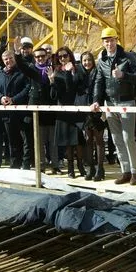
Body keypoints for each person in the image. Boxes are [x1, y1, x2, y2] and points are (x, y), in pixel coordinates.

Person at [91, 27, 136, 185]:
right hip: (110, 104)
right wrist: (96, 100)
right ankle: (125, 171)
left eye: (112, 40)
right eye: (106, 41)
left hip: (126, 101)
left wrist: (123, 75)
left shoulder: (128, 57)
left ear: (116, 41)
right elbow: (99, 82)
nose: (109, 43)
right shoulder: (102, 62)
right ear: (103, 43)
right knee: (117, 139)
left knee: (128, 138)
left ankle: (135, 172)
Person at [0, 50, 32, 169]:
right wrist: (1, 98)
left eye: (10, 58)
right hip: (7, 114)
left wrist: (13, 99)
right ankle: (15, 164)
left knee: (26, 140)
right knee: (12, 141)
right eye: (6, 59)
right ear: (3, 61)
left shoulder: (22, 72)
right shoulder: (0, 76)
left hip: (23, 112)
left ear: (14, 58)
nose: (8, 61)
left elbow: (27, 88)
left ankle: (26, 164)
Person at [52, 46, 85, 178]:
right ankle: (71, 168)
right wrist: (52, 81)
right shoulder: (57, 71)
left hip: (76, 108)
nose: (63, 59)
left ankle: (81, 166)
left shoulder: (78, 70)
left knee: (78, 141)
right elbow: (59, 93)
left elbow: (76, 88)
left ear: (70, 56)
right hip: (64, 109)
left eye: (65, 56)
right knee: (68, 142)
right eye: (60, 57)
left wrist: (71, 72)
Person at [77, 51, 105, 181]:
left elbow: (100, 89)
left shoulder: (98, 72)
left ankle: (100, 168)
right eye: (84, 61)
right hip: (85, 109)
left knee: (99, 140)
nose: (87, 63)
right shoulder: (80, 74)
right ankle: (91, 168)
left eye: (89, 60)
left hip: (97, 108)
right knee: (88, 140)